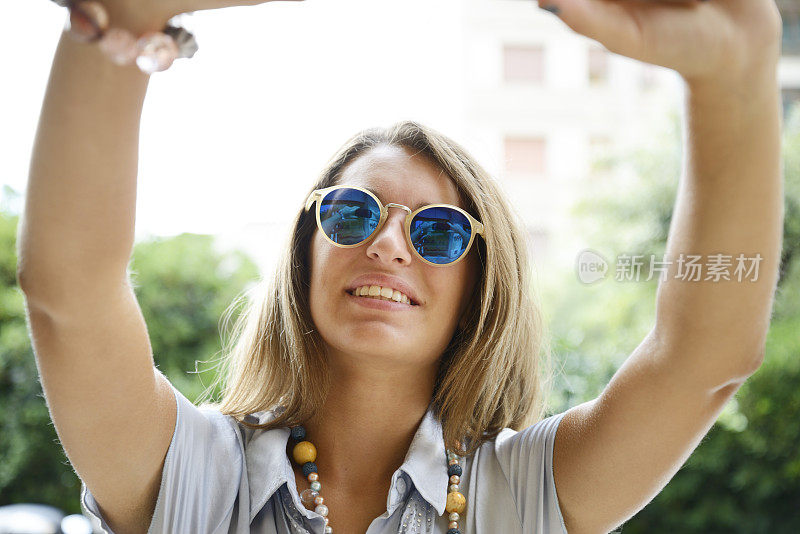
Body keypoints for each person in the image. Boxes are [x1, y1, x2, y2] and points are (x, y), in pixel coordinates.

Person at [16, 0, 783, 533]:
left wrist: (734, 74)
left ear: (480, 287)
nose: (387, 245)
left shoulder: (522, 497)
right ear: (304, 252)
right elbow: (69, 293)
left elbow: (703, 359)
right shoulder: (184, 470)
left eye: (439, 233)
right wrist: (127, 24)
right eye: (352, 214)